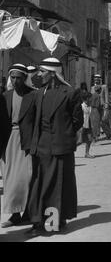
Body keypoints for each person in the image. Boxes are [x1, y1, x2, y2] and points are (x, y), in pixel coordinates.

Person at [26, 58, 83, 236]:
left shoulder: (70, 93)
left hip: (60, 147)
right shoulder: (38, 93)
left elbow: (77, 121)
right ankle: (37, 222)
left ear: (52, 74)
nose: (39, 74)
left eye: (42, 71)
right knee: (38, 184)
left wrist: (62, 135)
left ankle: (57, 221)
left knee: (59, 185)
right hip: (40, 147)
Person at [0, 64, 36, 228]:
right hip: (8, 142)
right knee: (10, 180)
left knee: (25, 178)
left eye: (18, 78)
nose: (15, 81)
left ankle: (27, 212)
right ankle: (15, 214)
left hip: (26, 141)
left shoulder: (33, 95)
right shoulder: (5, 96)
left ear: (24, 78)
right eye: (12, 77)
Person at [81, 92, 94, 159]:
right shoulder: (81, 106)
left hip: (89, 124)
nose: (91, 99)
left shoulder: (90, 106)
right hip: (82, 125)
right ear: (87, 98)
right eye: (90, 98)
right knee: (79, 141)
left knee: (89, 139)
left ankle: (87, 153)